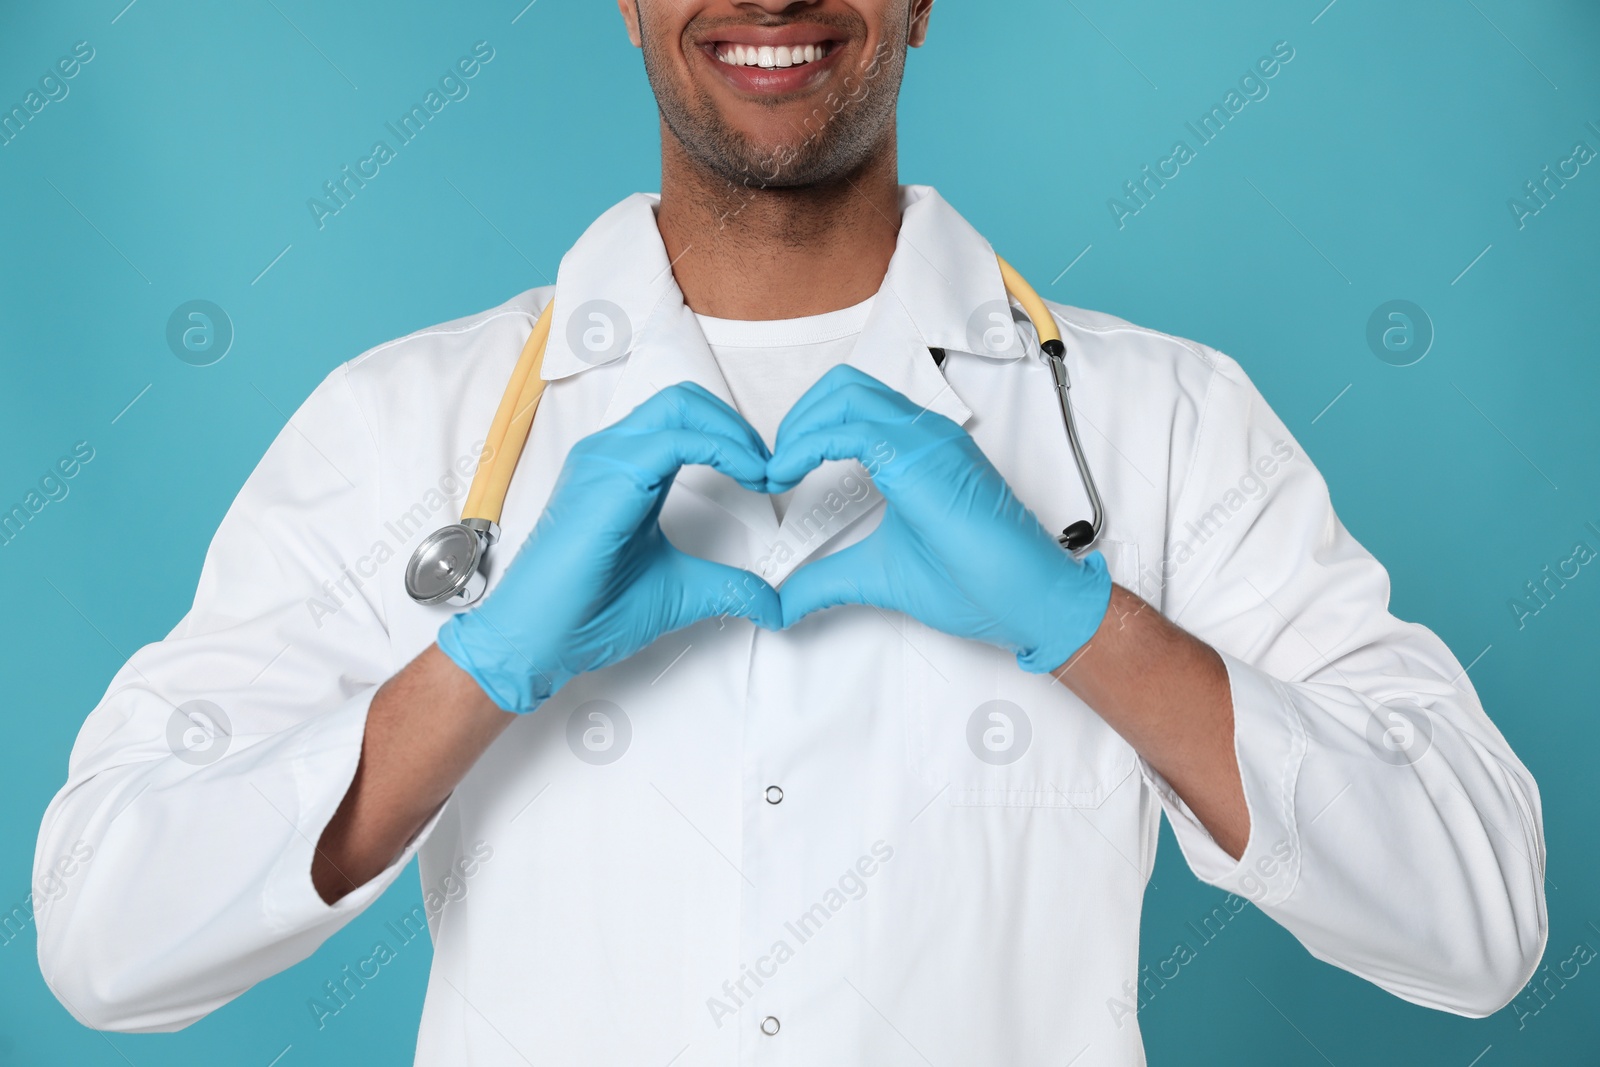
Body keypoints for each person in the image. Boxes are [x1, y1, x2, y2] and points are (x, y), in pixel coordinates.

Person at [35, 1, 1545, 1063]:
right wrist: (478, 670)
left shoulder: (1159, 423)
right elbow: (107, 938)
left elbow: (1479, 919)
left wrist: (1092, 629)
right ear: (626, 1)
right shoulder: (404, 428)